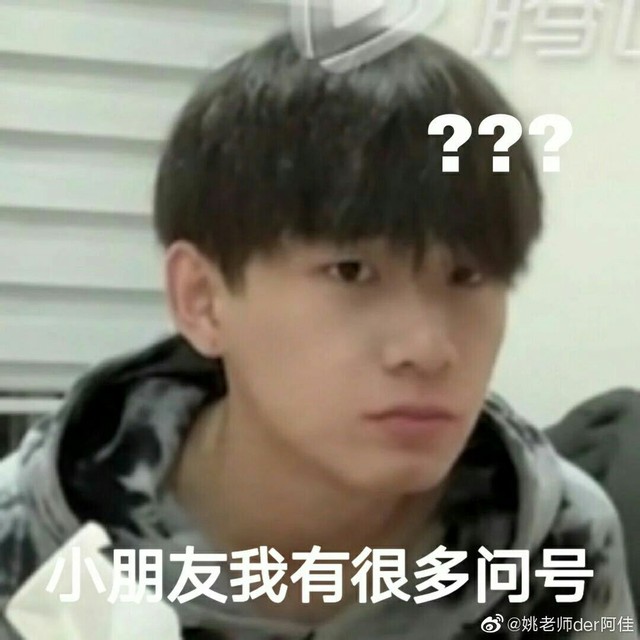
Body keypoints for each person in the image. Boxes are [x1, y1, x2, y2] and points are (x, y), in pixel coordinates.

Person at [0, 31, 636, 640]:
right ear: (203, 300)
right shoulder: (28, 550)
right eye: (352, 272)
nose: (427, 350)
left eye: (467, 276)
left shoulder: (560, 548)